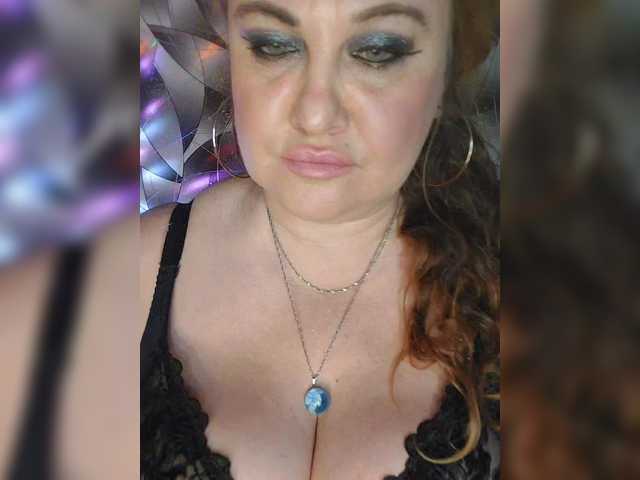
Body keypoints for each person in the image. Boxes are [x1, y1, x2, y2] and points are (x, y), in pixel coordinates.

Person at [141, 1, 499, 479]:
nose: (315, 114)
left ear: (448, 69)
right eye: (273, 45)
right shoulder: (121, 276)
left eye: (377, 51)